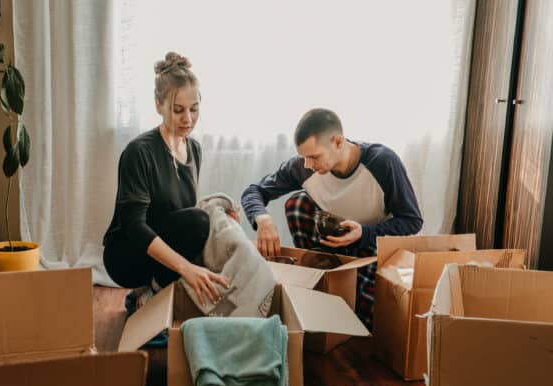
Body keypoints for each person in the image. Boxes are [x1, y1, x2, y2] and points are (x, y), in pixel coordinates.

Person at [240, 108, 423, 328]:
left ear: (338, 142)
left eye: (314, 156)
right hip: (329, 244)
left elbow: (412, 220)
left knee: (364, 319)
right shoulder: (304, 167)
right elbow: (253, 191)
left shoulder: (382, 162)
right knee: (297, 204)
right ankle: (318, 276)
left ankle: (343, 291)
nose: (308, 164)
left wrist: (365, 233)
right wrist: (263, 219)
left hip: (370, 246)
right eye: (304, 157)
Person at [103, 52, 229, 327]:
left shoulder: (193, 148)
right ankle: (148, 295)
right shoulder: (139, 152)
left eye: (194, 109)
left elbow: (181, 210)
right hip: (126, 253)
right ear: (159, 105)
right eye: (178, 109)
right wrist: (185, 268)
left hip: (159, 245)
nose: (188, 119)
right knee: (198, 222)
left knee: (205, 221)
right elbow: (134, 227)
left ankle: (156, 287)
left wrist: (224, 212)